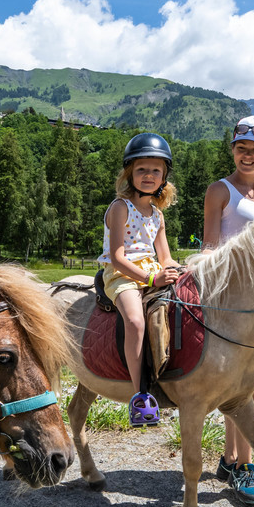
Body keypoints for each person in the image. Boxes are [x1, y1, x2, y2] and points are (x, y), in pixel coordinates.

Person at [201, 114, 254, 507]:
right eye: (241, 149)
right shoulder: (220, 190)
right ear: (233, 150)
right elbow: (209, 247)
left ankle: (230, 459)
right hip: (229, 301)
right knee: (253, 386)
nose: (247, 156)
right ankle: (242, 466)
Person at [98, 133, 182, 427]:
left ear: (164, 177)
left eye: (155, 170)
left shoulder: (157, 215)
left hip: (152, 272)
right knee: (135, 320)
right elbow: (117, 257)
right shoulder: (121, 207)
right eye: (142, 170)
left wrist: (181, 271)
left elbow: (166, 256)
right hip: (122, 274)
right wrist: (150, 277)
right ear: (129, 173)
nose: (149, 176)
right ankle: (140, 395)